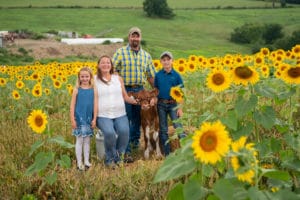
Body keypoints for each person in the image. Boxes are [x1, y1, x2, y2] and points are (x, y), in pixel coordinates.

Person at [112, 27, 156, 160]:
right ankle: (125, 150)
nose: (135, 38)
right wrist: (118, 83)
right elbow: (112, 69)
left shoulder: (146, 56)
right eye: (133, 36)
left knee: (138, 119)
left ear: (140, 38)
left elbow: (151, 76)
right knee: (125, 119)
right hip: (125, 89)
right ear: (129, 37)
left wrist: (155, 94)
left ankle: (134, 145)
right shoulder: (120, 52)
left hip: (140, 90)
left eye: (137, 36)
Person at [95, 55, 137, 167]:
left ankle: (119, 157)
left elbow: (125, 96)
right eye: (103, 62)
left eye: (108, 62)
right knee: (109, 133)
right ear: (98, 65)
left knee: (124, 132)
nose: (105, 64)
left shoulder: (118, 79)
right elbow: (92, 99)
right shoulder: (94, 80)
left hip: (120, 113)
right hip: (103, 115)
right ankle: (110, 159)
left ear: (111, 65)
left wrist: (137, 101)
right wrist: (93, 118)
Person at [154, 51, 185, 156]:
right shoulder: (158, 75)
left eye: (168, 60)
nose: (166, 62)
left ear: (172, 61)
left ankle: (185, 150)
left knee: (178, 126)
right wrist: (154, 101)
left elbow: (181, 93)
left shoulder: (176, 76)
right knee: (163, 129)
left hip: (173, 105)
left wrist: (180, 108)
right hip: (161, 105)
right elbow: (156, 90)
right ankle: (167, 154)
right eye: (164, 60)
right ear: (161, 62)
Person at [70, 67, 98, 171]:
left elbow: (95, 105)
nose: (85, 78)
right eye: (82, 76)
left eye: (87, 76)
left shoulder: (93, 89)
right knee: (79, 140)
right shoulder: (77, 90)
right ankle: (79, 162)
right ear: (79, 77)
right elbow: (72, 106)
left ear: (90, 77)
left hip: (89, 118)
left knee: (87, 140)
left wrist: (94, 118)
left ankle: (86, 161)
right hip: (79, 118)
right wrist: (72, 119)